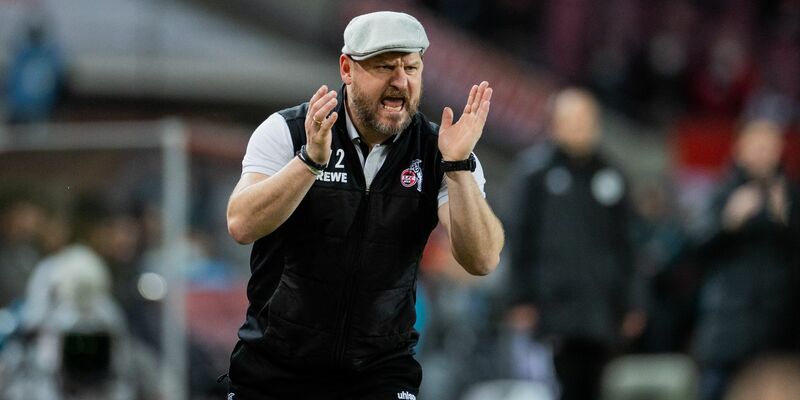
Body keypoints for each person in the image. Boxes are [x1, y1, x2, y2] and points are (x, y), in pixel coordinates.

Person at [225, 11, 504, 399]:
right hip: (275, 368)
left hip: (380, 373)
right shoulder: (289, 131)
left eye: (411, 67)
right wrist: (309, 163)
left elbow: (482, 260)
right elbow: (241, 224)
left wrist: (458, 167)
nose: (400, 81)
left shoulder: (441, 150)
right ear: (347, 68)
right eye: (385, 66)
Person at [507, 88, 643, 400]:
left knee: (595, 388)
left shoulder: (613, 175)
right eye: (572, 120)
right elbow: (518, 239)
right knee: (551, 388)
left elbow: (629, 244)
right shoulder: (535, 174)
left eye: (587, 120)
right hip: (549, 308)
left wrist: (634, 301)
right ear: (554, 125)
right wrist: (519, 298)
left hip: (600, 310)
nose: (581, 127)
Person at [692, 119, 799, 400]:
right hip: (730, 323)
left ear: (780, 150)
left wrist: (786, 222)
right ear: (740, 149)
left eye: (769, 146)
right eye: (757, 146)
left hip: (781, 325)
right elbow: (693, 250)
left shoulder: (791, 196)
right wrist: (727, 222)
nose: (763, 153)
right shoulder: (721, 193)